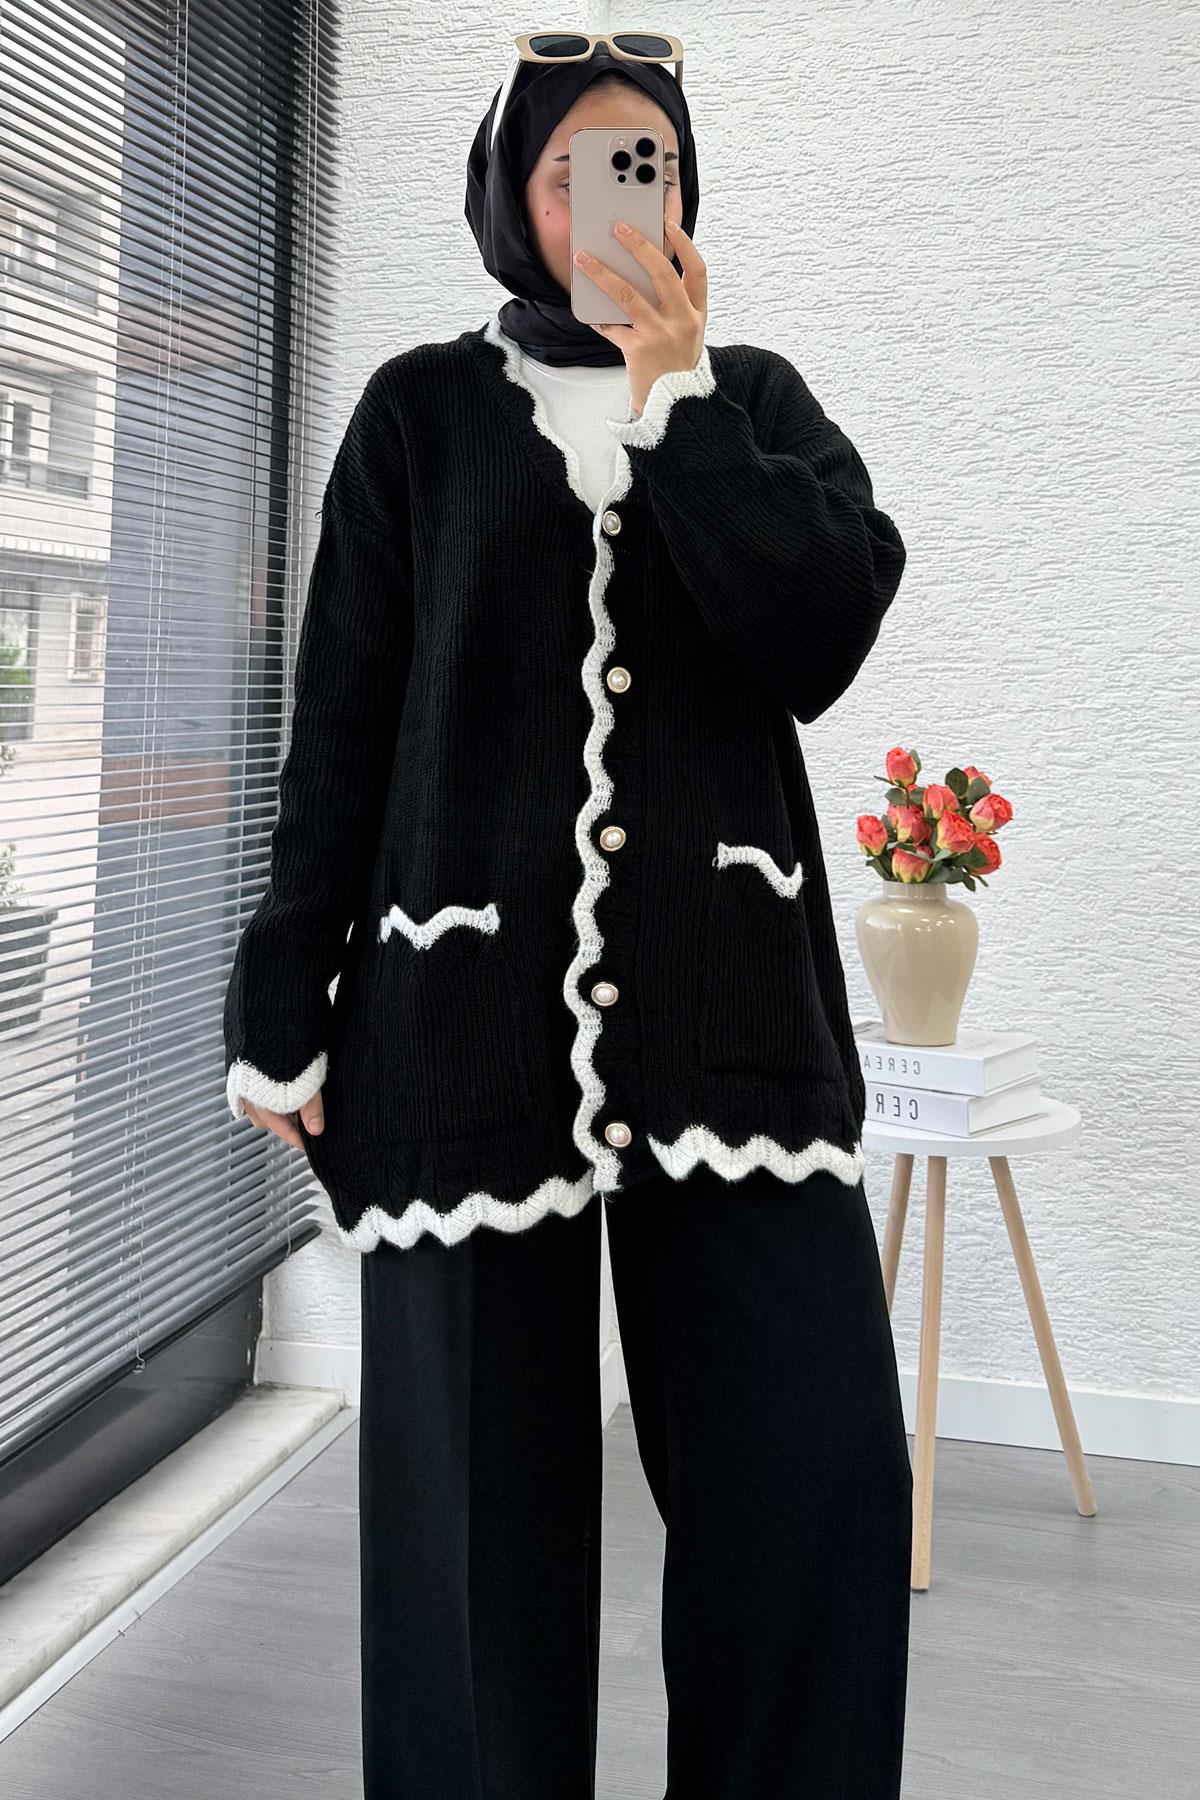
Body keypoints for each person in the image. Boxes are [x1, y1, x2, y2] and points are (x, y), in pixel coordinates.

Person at [223, 39, 913, 1800]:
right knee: (471, 1536)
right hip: (457, 1026)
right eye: (577, 172)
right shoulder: (415, 416)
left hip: (732, 1024)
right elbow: (342, 721)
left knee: (814, 1484)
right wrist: (280, 998)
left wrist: (681, 403)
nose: (621, 203)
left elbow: (819, 638)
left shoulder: (758, 402)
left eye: (649, 165)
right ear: (509, 200)